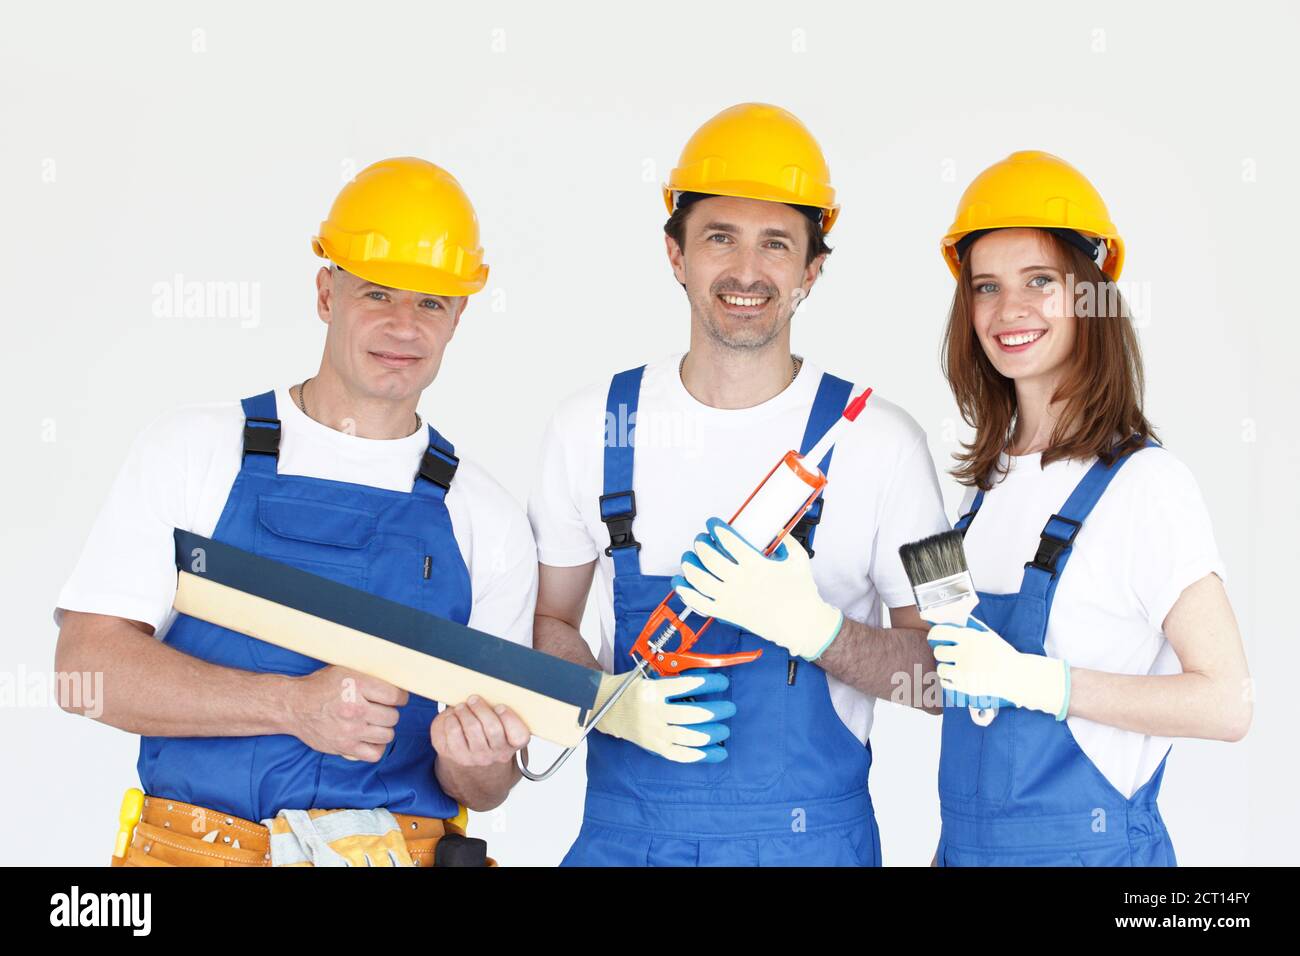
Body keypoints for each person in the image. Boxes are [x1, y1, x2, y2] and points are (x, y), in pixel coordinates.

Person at [55, 157, 535, 866]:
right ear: (325, 293)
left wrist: (478, 759)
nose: (403, 325)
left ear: (459, 315)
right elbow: (82, 673)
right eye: (378, 293)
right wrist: (290, 705)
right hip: (196, 853)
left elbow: (487, 788)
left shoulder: (485, 517)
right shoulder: (193, 451)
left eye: (431, 301)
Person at [530, 103, 949, 866]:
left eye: (777, 244)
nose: (748, 272)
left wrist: (821, 633)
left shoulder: (886, 442)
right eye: (720, 237)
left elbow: (944, 678)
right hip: (628, 843)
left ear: (812, 271)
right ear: (675, 254)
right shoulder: (589, 425)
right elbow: (546, 625)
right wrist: (609, 707)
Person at [925, 150, 1252, 865]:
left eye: (1039, 281)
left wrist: (1039, 681)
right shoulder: (981, 492)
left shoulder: (1146, 488)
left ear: (1089, 295)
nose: (1009, 310)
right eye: (986, 286)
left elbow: (1228, 704)